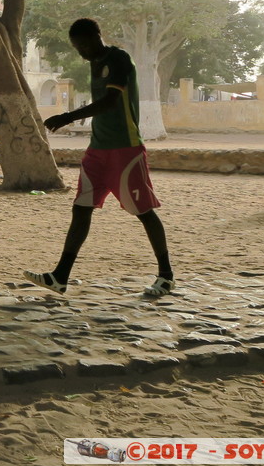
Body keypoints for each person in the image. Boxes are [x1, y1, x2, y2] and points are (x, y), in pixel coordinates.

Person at [25, 18, 175, 297]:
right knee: (81, 208)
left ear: (97, 36)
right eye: (76, 46)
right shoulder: (94, 63)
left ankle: (166, 275)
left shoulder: (119, 59)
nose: (81, 50)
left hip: (125, 149)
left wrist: (68, 116)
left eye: (84, 44)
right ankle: (60, 276)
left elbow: (110, 102)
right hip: (97, 150)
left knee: (143, 212)